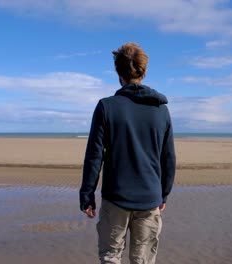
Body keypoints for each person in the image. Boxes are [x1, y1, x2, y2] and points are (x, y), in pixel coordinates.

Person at [79, 42, 176, 264]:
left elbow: (94, 156)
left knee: (111, 257)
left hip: (116, 199)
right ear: (143, 70)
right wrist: (164, 193)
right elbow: (168, 158)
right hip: (149, 198)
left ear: (118, 72)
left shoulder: (107, 106)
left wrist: (87, 195)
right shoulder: (161, 110)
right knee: (142, 261)